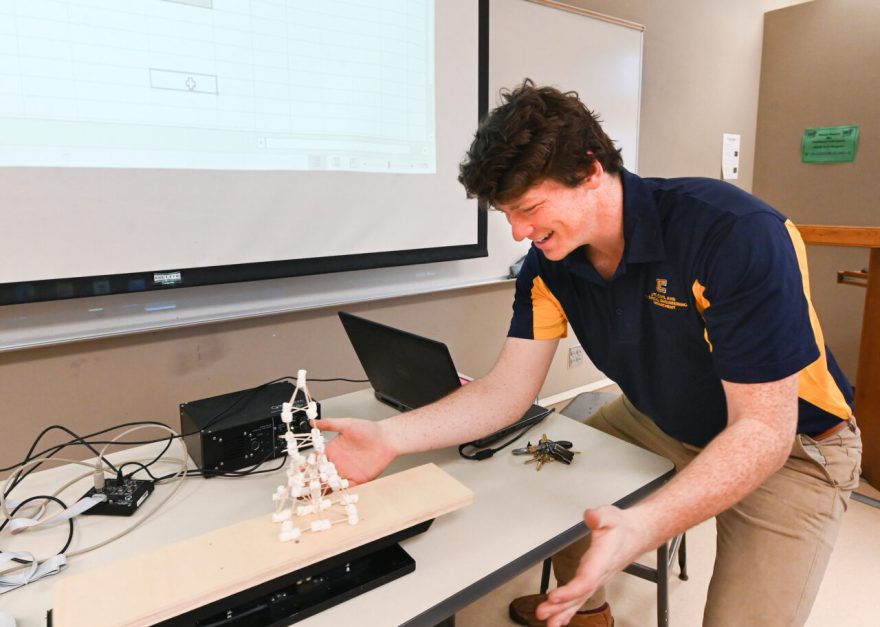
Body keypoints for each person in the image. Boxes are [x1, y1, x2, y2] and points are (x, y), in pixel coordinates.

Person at [319, 80, 862, 627]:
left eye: (528, 208)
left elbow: (763, 429)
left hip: (794, 448)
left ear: (591, 169)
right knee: (549, 480)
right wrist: (391, 437)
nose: (518, 232)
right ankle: (590, 614)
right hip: (660, 420)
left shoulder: (734, 235)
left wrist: (643, 525)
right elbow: (506, 391)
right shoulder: (548, 266)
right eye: (506, 214)